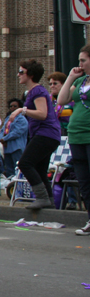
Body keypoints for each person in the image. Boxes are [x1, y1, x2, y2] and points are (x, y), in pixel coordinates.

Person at [8, 60, 61, 210]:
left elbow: (42, 113)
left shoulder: (37, 91)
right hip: (47, 135)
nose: (18, 74)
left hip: (46, 134)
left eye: (21, 71)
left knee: (25, 163)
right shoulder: (34, 92)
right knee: (40, 169)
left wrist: (21, 110)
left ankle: (42, 198)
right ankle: (49, 202)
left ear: (30, 74)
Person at [56, 44, 90, 234]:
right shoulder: (81, 80)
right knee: (84, 181)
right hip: (76, 135)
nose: (80, 64)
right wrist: (70, 77)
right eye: (79, 60)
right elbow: (62, 100)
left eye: (83, 60)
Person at [0, 98, 28, 179]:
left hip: (16, 148)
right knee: (9, 170)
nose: (12, 108)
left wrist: (5, 139)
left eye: (15, 106)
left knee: (18, 169)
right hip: (7, 148)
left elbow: (17, 132)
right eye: (11, 106)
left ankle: (18, 184)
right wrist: (1, 138)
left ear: (19, 107)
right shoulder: (8, 118)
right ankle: (10, 183)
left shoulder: (22, 119)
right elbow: (2, 130)